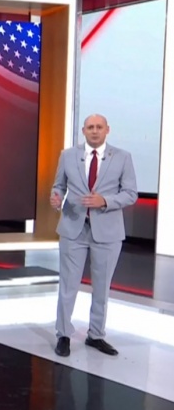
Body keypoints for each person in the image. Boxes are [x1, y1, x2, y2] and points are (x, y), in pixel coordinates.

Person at [50, 113, 137, 357]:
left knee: (101, 287)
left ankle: (96, 335)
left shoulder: (122, 157)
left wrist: (105, 201)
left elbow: (130, 193)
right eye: (90, 127)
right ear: (83, 131)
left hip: (108, 232)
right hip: (73, 228)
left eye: (99, 127)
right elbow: (59, 185)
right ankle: (63, 334)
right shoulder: (68, 155)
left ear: (107, 129)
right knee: (68, 285)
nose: (95, 131)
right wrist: (56, 197)